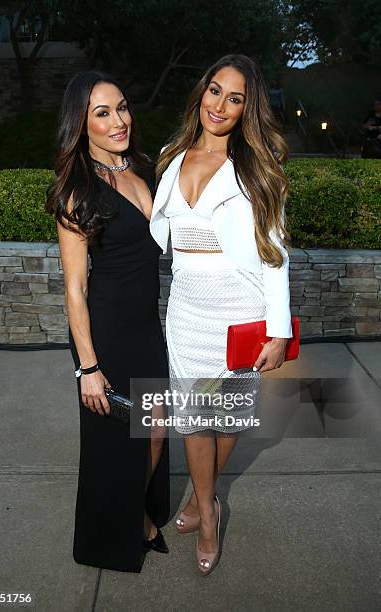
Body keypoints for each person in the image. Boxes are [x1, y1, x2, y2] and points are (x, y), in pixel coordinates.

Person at [150, 54, 292, 575]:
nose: (220, 105)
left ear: (247, 109)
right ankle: (208, 509)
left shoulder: (257, 170)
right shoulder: (171, 155)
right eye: (215, 91)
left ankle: (200, 505)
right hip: (187, 311)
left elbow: (275, 254)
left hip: (239, 312)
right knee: (194, 419)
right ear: (201, 93)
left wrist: (277, 331)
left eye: (235, 98)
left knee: (228, 418)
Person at [45, 70, 170, 573]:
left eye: (122, 107)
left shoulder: (140, 168)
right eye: (102, 113)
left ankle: (136, 510)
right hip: (109, 333)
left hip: (147, 325)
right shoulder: (77, 191)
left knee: (156, 432)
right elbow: (75, 288)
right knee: (119, 441)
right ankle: (124, 528)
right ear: (81, 124)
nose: (119, 120)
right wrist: (87, 368)